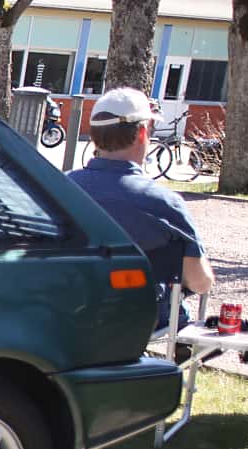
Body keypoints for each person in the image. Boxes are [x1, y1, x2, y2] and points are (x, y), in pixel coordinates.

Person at [67, 86, 216, 328]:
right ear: (143, 133)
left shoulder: (59, 189)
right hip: (138, 317)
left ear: (93, 136)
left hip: (67, 309)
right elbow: (200, 282)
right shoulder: (164, 203)